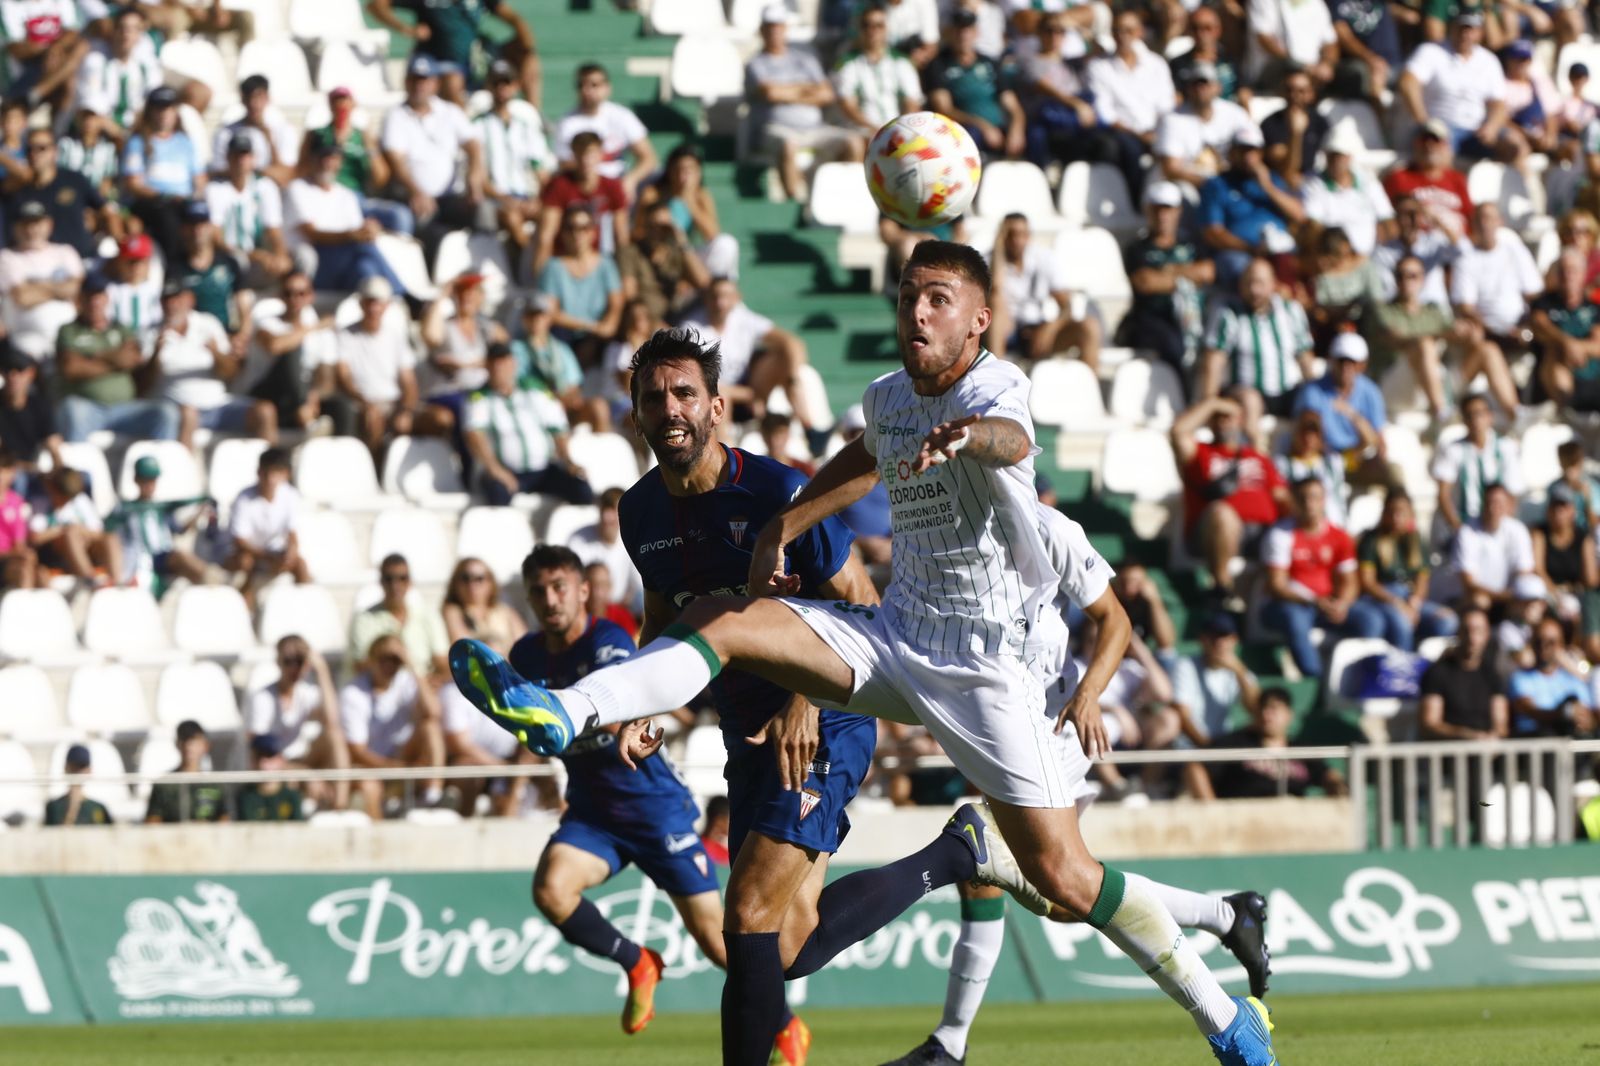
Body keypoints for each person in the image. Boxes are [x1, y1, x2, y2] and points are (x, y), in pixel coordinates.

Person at [451, 246, 1278, 1064]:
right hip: (894, 640)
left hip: (986, 671)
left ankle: (1224, 1021)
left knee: (1064, 881)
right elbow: (863, 458)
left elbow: (1012, 442)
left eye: (939, 299)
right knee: (725, 620)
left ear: (978, 318)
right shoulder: (886, 401)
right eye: (909, 297)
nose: (918, 312)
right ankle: (572, 708)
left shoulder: (996, 388)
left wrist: (969, 437)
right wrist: (787, 525)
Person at [885, 507, 1274, 1066]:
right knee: (1062, 896)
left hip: (1053, 729)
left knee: (1015, 867)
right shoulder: (944, 526)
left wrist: (1090, 693)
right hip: (1008, 725)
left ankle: (950, 1043)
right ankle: (1227, 915)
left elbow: (1113, 619)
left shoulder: (1049, 529)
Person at [515, 544, 733, 1035]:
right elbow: (534, 732)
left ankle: (783, 1024)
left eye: (559, 587)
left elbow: (622, 705)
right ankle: (638, 963)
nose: (550, 600)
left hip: (656, 809)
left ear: (583, 591)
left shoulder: (608, 640)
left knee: (717, 944)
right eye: (538, 591)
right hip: (595, 814)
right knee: (552, 890)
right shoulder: (525, 656)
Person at [1172, 394, 1290, 606]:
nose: (1223, 421)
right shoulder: (1200, 453)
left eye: (1229, 416)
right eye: (1217, 416)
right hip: (1212, 532)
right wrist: (1212, 402)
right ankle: (1222, 587)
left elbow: (1281, 496)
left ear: (1241, 421)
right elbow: (1178, 432)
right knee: (1222, 513)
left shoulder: (1258, 457)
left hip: (1263, 532)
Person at [1262, 476, 1383, 676]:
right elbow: (1277, 584)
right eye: (1303, 498)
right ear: (1294, 501)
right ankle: (1315, 680)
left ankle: (1355, 678)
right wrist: (1313, 600)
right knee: (1295, 620)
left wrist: (1342, 603)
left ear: (1324, 500)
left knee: (1372, 620)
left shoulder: (1339, 536)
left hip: (1327, 604)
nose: (1309, 504)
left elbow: (1350, 581)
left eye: (1314, 498)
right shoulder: (1280, 535)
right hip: (1290, 603)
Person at [745, 4, 866, 202]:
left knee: (853, 143)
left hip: (815, 129)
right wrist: (807, 89)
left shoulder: (805, 59)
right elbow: (770, 92)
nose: (775, 31)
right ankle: (795, 205)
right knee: (788, 145)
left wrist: (786, 90)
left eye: (778, 26)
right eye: (770, 26)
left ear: (785, 28)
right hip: (776, 129)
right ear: (762, 30)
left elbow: (826, 94)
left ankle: (843, 202)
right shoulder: (755, 63)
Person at [379, 54, 488, 268]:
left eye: (425, 79)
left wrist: (474, 179)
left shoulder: (450, 112)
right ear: (407, 82)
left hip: (450, 196)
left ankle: (484, 270)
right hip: (414, 196)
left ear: (435, 83)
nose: (420, 85)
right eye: (416, 79)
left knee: (484, 212)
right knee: (431, 230)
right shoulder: (396, 116)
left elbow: (474, 146)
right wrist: (415, 190)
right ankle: (429, 284)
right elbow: (396, 160)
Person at [680, 276, 823, 435]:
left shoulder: (743, 319)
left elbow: (792, 343)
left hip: (750, 390)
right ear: (707, 298)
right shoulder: (691, 329)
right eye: (716, 296)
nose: (721, 303)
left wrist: (793, 378)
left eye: (726, 296)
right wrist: (748, 395)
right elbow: (698, 379)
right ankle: (724, 447)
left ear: (736, 298)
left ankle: (809, 428)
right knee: (720, 395)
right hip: (716, 394)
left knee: (785, 359)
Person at [462, 342, 594, 507]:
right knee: (498, 495)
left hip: (542, 470)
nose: (499, 369)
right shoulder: (479, 397)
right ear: (487, 366)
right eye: (494, 363)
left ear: (513, 364)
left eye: (504, 362)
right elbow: (474, 435)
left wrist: (568, 461)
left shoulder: (535, 390)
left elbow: (558, 428)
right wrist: (495, 469)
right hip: (507, 471)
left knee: (581, 489)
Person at [1198, 257, 1314, 440]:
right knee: (1251, 401)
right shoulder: (1228, 314)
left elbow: (1305, 357)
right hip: (1246, 391)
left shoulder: (1291, 311)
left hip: (1285, 391)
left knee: (1313, 401)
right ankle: (1259, 456)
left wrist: (1314, 391)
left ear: (1273, 284)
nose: (1254, 290)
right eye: (1248, 283)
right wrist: (1209, 403)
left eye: (1259, 283)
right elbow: (1214, 361)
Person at [151, 279, 274, 448]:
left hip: (218, 404)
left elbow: (231, 373)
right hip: (179, 409)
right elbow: (141, 385)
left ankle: (271, 468)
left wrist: (216, 353)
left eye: (176, 298)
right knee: (188, 414)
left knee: (265, 411)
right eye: (166, 299)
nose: (172, 304)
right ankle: (186, 472)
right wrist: (155, 354)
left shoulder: (209, 323)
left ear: (190, 299)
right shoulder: (152, 333)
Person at [364, 0, 540, 111]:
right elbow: (376, 5)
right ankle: (468, 131)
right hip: (440, 63)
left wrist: (526, 41)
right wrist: (406, 29)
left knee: (529, 60)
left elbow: (513, 17)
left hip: (475, 57)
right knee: (452, 79)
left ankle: (534, 119)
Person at [341, 634, 446, 818]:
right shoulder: (353, 693)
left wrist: (413, 666)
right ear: (371, 659)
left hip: (402, 761)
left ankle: (434, 795)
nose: (390, 664)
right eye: (384, 658)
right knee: (368, 786)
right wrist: (396, 768)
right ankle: (380, 839)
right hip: (371, 768)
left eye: (396, 659)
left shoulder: (406, 681)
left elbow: (433, 712)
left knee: (430, 727)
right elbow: (356, 751)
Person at [285, 141, 405, 296]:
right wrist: (353, 236)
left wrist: (368, 231)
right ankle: (399, 294)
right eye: (322, 157)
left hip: (346, 264)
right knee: (364, 249)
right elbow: (312, 234)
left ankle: (380, 301)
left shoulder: (347, 195)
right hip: (317, 262)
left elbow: (357, 234)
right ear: (312, 160)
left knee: (365, 266)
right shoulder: (297, 189)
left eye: (333, 158)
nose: (327, 163)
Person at [1119, 181, 1212, 378]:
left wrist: (1169, 271)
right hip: (1153, 319)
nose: (1163, 216)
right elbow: (1145, 282)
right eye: (1157, 209)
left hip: (1192, 316)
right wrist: (1188, 275)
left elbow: (1208, 272)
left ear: (1178, 211)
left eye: (1168, 209)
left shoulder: (1191, 243)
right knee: (1175, 347)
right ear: (1148, 211)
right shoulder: (1137, 248)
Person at [246, 635, 349, 811]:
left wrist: (322, 670)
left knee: (335, 736)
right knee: (293, 779)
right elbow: (258, 750)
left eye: (299, 661)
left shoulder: (306, 693)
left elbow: (333, 720)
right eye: (288, 661)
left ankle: (340, 806)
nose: (294, 667)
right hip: (272, 763)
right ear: (278, 662)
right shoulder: (262, 697)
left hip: (301, 761)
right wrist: (304, 773)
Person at [1198, 128, 1305, 291]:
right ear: (1233, 152)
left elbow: (1299, 215)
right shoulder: (1217, 185)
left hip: (1280, 251)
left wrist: (1268, 188)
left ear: (1260, 154)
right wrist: (1251, 249)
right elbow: (1213, 233)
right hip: (1240, 254)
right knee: (1250, 273)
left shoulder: (1273, 180)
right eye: (1242, 150)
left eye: (1253, 151)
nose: (1248, 157)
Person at [243, 272, 347, 438]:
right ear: (280, 296)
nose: (294, 299)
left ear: (310, 296)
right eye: (288, 293)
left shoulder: (322, 334)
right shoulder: (266, 322)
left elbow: (326, 379)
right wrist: (314, 327)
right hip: (266, 394)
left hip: (300, 395)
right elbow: (275, 345)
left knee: (342, 407)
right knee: (292, 352)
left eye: (301, 293)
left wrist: (314, 393)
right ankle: (307, 421)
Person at [1195, 687, 1347, 799]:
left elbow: (1329, 776)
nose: (1266, 715)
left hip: (1293, 823)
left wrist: (1337, 786)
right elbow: (1196, 768)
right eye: (1262, 709)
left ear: (1289, 715)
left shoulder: (1300, 750)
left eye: (1274, 709)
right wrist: (1213, 811)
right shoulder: (1237, 743)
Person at [1398, 11, 1509, 160]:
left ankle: (1519, 182)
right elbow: (1408, 82)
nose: (1466, 34)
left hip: (1476, 131)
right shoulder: (1431, 51)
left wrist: (1492, 127)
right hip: (1440, 126)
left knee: (1514, 146)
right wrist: (1424, 122)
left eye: (1471, 30)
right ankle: (1450, 182)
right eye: (1462, 28)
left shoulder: (1489, 61)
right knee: (1440, 146)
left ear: (1480, 33)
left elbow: (1499, 103)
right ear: (1452, 29)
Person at [299, 86, 409, 236]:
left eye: (345, 100)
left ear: (353, 104)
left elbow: (380, 179)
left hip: (355, 197)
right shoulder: (317, 135)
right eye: (336, 101)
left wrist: (369, 146)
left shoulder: (363, 138)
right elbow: (301, 169)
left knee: (400, 216)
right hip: (325, 195)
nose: (341, 105)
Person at [334, 276, 424, 458]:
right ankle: (375, 472)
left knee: (440, 420)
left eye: (378, 303)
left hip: (393, 403)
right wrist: (366, 403)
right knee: (373, 419)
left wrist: (406, 411)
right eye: (369, 302)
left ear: (387, 306)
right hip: (362, 404)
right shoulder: (345, 335)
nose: (373, 308)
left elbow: (409, 381)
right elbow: (343, 376)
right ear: (361, 304)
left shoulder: (396, 336)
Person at [1357, 489, 1457, 651]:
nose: (1396, 518)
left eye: (1401, 512)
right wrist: (1397, 603)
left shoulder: (1416, 540)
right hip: (1383, 598)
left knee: (1447, 620)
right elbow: (1368, 582)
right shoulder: (1372, 540)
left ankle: (1429, 667)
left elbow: (1422, 577)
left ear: (1410, 513)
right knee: (1401, 624)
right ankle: (1403, 668)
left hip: (1409, 597)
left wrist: (1415, 601)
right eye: (1392, 512)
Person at [474, 58, 554, 255]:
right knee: (512, 217)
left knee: (553, 214)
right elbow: (480, 178)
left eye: (506, 82)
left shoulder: (526, 125)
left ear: (516, 85)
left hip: (526, 197)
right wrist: (506, 198)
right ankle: (532, 268)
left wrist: (541, 198)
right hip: (498, 200)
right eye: (496, 82)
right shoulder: (477, 127)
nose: (502, 87)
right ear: (489, 86)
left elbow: (539, 168)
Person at [923, 8, 1026, 162]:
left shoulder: (990, 62)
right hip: (966, 130)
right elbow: (944, 109)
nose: (963, 35)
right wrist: (982, 126)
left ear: (976, 32)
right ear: (950, 33)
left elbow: (1011, 103)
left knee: (1034, 134)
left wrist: (1017, 129)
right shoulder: (938, 65)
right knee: (971, 136)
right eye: (958, 30)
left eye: (968, 30)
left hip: (999, 128)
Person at [1289, 331, 1387, 486]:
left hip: (1355, 458)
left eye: (1352, 362)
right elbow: (1309, 433)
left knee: (1391, 476)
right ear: (1332, 361)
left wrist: (1352, 415)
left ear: (1362, 364)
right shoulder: (1312, 391)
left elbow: (1377, 439)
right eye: (1341, 361)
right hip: (1323, 458)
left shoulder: (1371, 392)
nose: (1346, 367)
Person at [120, 86, 204, 262]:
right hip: (153, 203)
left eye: (169, 108)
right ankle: (173, 269)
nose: (164, 114)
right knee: (168, 219)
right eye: (159, 108)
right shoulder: (137, 142)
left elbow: (199, 177)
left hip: (183, 201)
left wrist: (195, 198)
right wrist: (165, 196)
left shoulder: (185, 142)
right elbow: (133, 184)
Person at [635, 144, 740, 282]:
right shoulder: (652, 195)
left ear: (699, 173)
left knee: (727, 244)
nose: (683, 176)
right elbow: (637, 232)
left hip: (689, 254)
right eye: (678, 169)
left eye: (689, 170)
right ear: (669, 171)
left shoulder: (701, 196)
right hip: (661, 255)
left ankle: (718, 292)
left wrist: (689, 201)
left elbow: (713, 235)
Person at [106, 455, 209, 594]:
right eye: (145, 480)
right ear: (136, 479)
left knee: (183, 560)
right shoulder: (124, 509)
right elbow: (109, 534)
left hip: (165, 557)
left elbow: (180, 530)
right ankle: (212, 579)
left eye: (153, 480)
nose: (149, 485)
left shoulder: (162, 509)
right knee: (179, 557)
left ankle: (212, 583)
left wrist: (199, 513)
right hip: (141, 560)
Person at [551, 62, 656, 198]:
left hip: (618, 182)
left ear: (607, 88)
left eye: (594, 85)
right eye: (582, 85)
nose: (587, 90)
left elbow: (649, 158)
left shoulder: (622, 116)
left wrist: (631, 180)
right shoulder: (567, 123)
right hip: (583, 189)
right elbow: (564, 163)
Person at [538, 204, 624, 368]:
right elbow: (551, 312)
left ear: (593, 232)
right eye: (571, 228)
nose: (577, 234)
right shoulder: (552, 267)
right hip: (565, 335)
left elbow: (616, 304)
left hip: (599, 336)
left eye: (583, 228)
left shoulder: (606, 264)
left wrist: (608, 327)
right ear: (563, 233)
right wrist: (592, 327)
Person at [4, 124, 107, 261]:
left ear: (55, 151)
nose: (34, 154)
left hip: (81, 260)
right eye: (29, 149)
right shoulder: (16, 190)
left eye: (42, 148)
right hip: (35, 267)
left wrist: (97, 224)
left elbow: (105, 210)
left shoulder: (74, 180)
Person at [225, 447, 310, 608]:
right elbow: (239, 541)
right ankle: (244, 608)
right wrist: (268, 557)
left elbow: (292, 531)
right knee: (245, 562)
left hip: (272, 553)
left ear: (286, 474)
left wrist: (291, 551)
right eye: (267, 473)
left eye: (276, 473)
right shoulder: (244, 499)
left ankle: (304, 607)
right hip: (250, 553)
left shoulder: (290, 495)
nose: (271, 479)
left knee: (300, 564)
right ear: (259, 473)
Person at [0, 201, 84, 362]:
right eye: (25, 224)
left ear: (49, 225)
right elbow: (23, 297)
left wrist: (36, 287)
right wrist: (59, 289)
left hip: (69, 339)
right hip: (26, 341)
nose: (31, 230)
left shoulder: (65, 252)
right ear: (15, 227)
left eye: (36, 223)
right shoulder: (7, 257)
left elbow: (75, 289)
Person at [536, 131, 629, 276]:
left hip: (600, 260)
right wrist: (542, 276)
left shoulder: (612, 187)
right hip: (564, 259)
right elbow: (546, 235)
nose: (586, 160)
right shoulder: (560, 185)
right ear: (574, 155)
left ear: (600, 154)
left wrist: (625, 275)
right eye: (581, 154)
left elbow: (621, 235)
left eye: (590, 154)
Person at [348, 552, 449, 684]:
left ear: (410, 582)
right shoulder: (363, 619)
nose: (395, 585)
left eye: (402, 578)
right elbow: (360, 667)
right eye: (389, 579)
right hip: (382, 687)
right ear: (381, 582)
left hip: (423, 688)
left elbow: (442, 663)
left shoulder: (428, 615)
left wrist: (432, 683)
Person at [206, 133, 292, 287]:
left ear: (253, 159)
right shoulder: (215, 189)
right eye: (236, 155)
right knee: (238, 261)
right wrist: (254, 255)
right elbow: (216, 237)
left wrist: (280, 255)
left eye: (245, 155)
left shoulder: (265, 186)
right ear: (228, 158)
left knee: (299, 258)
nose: (241, 161)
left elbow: (274, 230)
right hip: (231, 257)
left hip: (260, 257)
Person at [1154, 63, 1255, 193]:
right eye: (1195, 84)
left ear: (1218, 88)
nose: (1200, 88)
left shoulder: (1235, 113)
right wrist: (1215, 187)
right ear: (1188, 88)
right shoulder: (1171, 119)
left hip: (1228, 183)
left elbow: (1254, 150)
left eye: (1205, 83)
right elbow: (1171, 169)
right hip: (1191, 185)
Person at [1432, 392, 1523, 535]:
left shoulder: (1506, 448)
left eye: (1480, 413)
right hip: (1464, 526)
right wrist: (1458, 528)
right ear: (1463, 419)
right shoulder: (1453, 450)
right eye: (1469, 415)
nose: (1475, 419)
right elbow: (1443, 494)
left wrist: (1499, 529)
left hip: (1497, 529)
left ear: (1490, 416)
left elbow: (1513, 493)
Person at [1531, 484, 1600, 661]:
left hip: (1576, 594)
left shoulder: (1583, 536)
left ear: (1572, 511)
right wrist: (1556, 594)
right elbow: (1538, 569)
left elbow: (1589, 578)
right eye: (1555, 506)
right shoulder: (1539, 533)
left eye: (1564, 506)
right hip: (1548, 592)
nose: (1559, 511)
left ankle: (1575, 653)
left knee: (1578, 609)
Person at [1419, 605, 1507, 739]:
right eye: (1467, 631)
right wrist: (1466, 736)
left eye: (1478, 631)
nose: (1472, 638)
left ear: (1487, 634)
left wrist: (1491, 739)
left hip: (1487, 751)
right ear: (1458, 633)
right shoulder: (1437, 672)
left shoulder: (1492, 674)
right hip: (1450, 753)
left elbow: (1501, 725)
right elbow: (1430, 724)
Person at [618, 198, 712, 325]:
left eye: (663, 226)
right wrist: (653, 323)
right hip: (644, 320)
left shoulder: (677, 252)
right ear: (645, 226)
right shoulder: (631, 252)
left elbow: (704, 282)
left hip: (676, 316)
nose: (657, 231)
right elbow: (630, 295)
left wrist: (683, 243)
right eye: (652, 226)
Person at [833, 4, 923, 135]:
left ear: (887, 29)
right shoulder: (847, 63)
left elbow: (912, 102)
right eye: (866, 25)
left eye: (879, 25)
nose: (872, 30)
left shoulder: (901, 62)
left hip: (897, 128)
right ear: (859, 29)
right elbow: (848, 106)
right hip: (862, 130)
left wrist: (901, 128)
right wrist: (876, 131)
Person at [1171, 612, 1261, 741]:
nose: (1219, 643)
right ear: (1202, 639)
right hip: (1188, 744)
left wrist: (1239, 671)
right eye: (1213, 637)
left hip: (1221, 744)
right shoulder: (1185, 666)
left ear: (1234, 640)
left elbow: (1256, 709)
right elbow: (1182, 714)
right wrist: (1206, 748)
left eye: (1224, 636)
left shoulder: (1238, 671)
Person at [1532, 247, 1600, 414]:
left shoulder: (1593, 308)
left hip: (1591, 375)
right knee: (1555, 350)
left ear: (1584, 274)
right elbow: (1540, 326)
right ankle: (1566, 409)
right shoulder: (1545, 303)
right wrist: (1565, 343)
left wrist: (1578, 347)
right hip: (1556, 376)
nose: (1568, 276)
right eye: (1563, 270)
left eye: (1573, 270)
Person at [29, 466, 121, 587]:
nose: (66, 500)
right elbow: (35, 538)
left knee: (110, 538)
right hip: (53, 555)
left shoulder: (81, 502)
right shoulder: (40, 506)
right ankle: (90, 581)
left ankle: (117, 583)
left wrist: (80, 531)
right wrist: (63, 530)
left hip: (86, 547)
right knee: (70, 535)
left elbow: (98, 532)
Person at [1508, 615, 1597, 737]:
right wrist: (1565, 713)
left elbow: (1589, 716)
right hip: (1535, 744)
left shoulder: (1573, 680)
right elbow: (1529, 710)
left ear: (1561, 645)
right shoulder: (1520, 678)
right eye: (1539, 641)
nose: (1544, 647)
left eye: (1551, 642)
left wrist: (1584, 721)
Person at [1381, 124, 1472, 243]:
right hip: (1417, 244)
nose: (1429, 146)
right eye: (1424, 141)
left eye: (1436, 141)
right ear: (1415, 144)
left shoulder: (1458, 179)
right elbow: (1386, 217)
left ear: (1447, 147)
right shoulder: (1399, 177)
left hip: (1456, 244)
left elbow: (1470, 217)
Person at [1453, 481, 1536, 610]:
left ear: (1509, 505)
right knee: (1480, 601)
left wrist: (1515, 595)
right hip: (1482, 598)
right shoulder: (1467, 532)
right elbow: (1468, 582)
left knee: (1533, 604)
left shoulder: (1518, 530)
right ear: (1483, 504)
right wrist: (1503, 596)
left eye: (1498, 503)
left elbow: (1524, 572)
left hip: (1512, 598)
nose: (1493, 508)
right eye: (1489, 502)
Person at [211, 74, 297, 187]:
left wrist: (269, 140)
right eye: (249, 97)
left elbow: (285, 176)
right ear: (242, 99)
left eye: (258, 97)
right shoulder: (225, 133)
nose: (254, 104)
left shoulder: (284, 130)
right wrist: (256, 172)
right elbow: (218, 171)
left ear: (267, 98)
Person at [570, 487, 643, 617]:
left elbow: (639, 587)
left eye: (612, 510)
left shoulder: (635, 539)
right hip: (587, 610)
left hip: (622, 610)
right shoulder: (578, 539)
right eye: (604, 509)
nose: (606, 517)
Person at [145, 720, 230, 822]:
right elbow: (153, 821)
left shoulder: (216, 784)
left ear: (206, 745)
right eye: (185, 740)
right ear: (177, 744)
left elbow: (225, 820)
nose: (189, 747)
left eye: (194, 741)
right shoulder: (164, 784)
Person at [1262, 69, 1330, 184]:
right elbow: (1288, 171)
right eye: (1289, 90)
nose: (1294, 96)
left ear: (1311, 94)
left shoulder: (1320, 122)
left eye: (1301, 91)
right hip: (1281, 182)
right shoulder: (1270, 123)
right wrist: (1296, 133)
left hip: (1314, 180)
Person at [235, 735, 306, 822]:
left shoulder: (292, 796)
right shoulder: (245, 796)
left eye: (270, 756)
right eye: (259, 756)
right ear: (252, 760)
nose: (263, 763)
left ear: (281, 760)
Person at [43, 743, 111, 826]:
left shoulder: (98, 808)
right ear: (66, 768)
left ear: (89, 771)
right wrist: (72, 808)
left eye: (81, 767)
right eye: (73, 767)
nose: (77, 772)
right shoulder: (53, 807)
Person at [0, 448, 38, 590]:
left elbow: (19, 544)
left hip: (10, 561)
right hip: (5, 561)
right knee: (23, 572)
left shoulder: (16, 502)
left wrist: (24, 555)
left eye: (5, 469)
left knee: (41, 575)